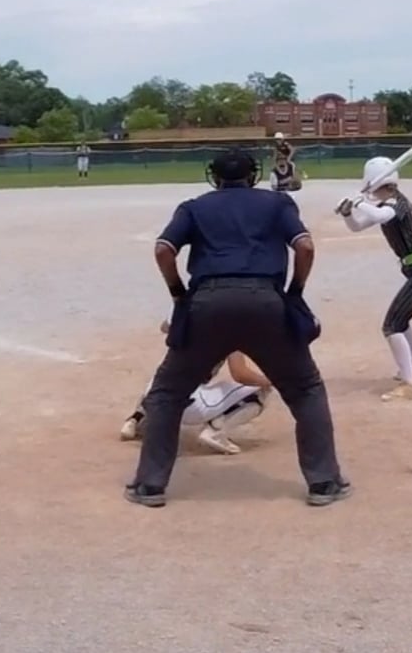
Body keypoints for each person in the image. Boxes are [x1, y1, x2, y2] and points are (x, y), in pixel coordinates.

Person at [128, 148, 350, 508]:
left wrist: (178, 294)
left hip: (207, 303)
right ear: (253, 175)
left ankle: (150, 485)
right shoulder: (277, 203)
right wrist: (295, 291)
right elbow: (305, 247)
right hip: (266, 302)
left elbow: (163, 250)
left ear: (214, 177)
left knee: (166, 395)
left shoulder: (194, 207)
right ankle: (324, 482)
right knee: (305, 389)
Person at [338, 156, 412, 400]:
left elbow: (382, 216)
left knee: (392, 326)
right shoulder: (386, 204)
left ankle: (410, 384)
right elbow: (357, 226)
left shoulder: (397, 202)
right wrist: (348, 213)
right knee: (401, 321)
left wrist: (359, 202)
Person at [119, 324, 273, 455]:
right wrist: (272, 381)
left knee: (162, 376)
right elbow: (240, 374)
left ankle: (136, 420)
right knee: (260, 391)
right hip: (188, 404)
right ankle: (215, 432)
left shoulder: (191, 312)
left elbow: (165, 326)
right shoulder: (230, 330)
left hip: (156, 399)